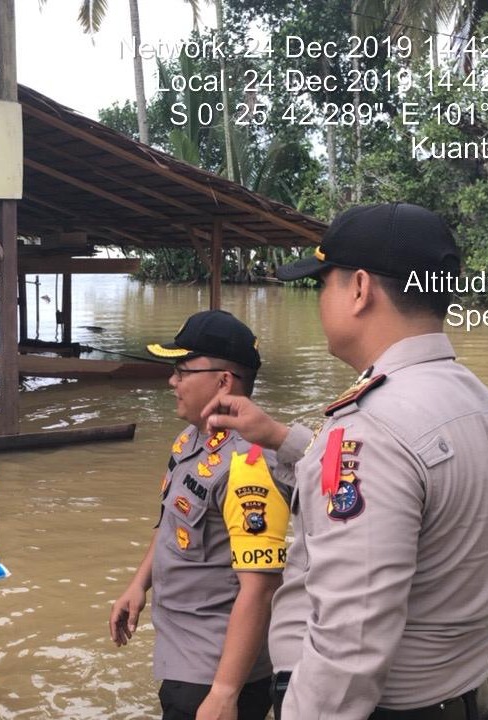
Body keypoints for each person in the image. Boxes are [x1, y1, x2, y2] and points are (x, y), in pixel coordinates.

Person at [202, 203, 488, 720]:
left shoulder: (369, 429)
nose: (320, 302)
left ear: (359, 289)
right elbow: (397, 482)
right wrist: (279, 438)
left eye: (323, 284)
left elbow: (349, 647)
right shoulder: (469, 398)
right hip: (459, 691)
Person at [109, 310, 292, 720]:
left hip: (216, 670)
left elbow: (259, 587)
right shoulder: (192, 438)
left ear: (223, 381)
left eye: (182, 370)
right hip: (182, 652)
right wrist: (139, 586)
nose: (172, 381)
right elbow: (172, 525)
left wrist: (225, 693)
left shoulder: (248, 463)